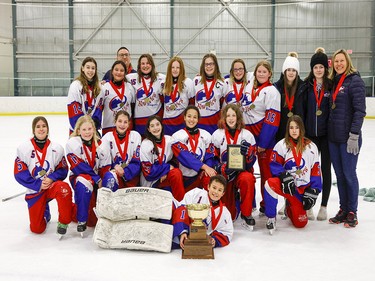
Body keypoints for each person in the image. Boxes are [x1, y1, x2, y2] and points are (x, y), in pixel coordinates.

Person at [14, 116, 73, 236]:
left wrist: (52, 178)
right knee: (37, 229)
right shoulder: (24, 148)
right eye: (38, 126)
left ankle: (65, 220)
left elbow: (63, 169)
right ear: (33, 130)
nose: (41, 129)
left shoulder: (56, 148)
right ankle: (45, 212)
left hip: (51, 187)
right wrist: (38, 184)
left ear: (48, 129)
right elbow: (19, 173)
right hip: (35, 190)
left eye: (44, 126)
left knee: (64, 188)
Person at [327, 49, 366, 228]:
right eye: (336, 62)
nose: (339, 64)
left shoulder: (355, 81)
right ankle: (343, 209)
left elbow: (360, 111)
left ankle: (352, 211)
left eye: (342, 61)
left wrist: (354, 135)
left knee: (349, 175)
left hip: (349, 138)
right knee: (340, 175)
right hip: (334, 138)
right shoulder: (333, 82)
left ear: (347, 62)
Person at [264, 115, 322, 234]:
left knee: (301, 223)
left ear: (301, 129)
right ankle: (271, 217)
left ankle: (289, 207)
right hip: (288, 187)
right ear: (287, 129)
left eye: (297, 127)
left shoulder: (311, 147)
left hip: (301, 191)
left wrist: (314, 190)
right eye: (291, 128)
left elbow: (316, 170)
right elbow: (274, 164)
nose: (294, 131)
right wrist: (283, 175)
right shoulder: (281, 145)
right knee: (269, 184)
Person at [242, 60, 281, 214]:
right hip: (248, 137)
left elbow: (272, 119)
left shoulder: (272, 91)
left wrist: (263, 142)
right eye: (259, 71)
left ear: (270, 74)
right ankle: (249, 204)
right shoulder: (250, 81)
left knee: (266, 174)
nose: (261, 74)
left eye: (265, 72)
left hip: (264, 139)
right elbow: (234, 74)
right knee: (247, 172)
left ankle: (267, 206)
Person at [212, 104, 257, 229]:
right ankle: (233, 200)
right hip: (225, 174)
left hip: (241, 174)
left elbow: (252, 163)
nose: (231, 118)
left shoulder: (247, 135)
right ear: (224, 118)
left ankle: (247, 213)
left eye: (233, 115)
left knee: (247, 178)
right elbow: (212, 158)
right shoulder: (217, 134)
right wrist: (221, 169)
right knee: (231, 215)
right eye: (228, 116)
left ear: (238, 117)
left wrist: (248, 154)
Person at [65, 115, 110, 235]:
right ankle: (81, 220)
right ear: (78, 130)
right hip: (79, 177)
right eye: (84, 129)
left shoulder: (101, 144)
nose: (87, 132)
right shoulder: (73, 143)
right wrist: (97, 178)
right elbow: (79, 167)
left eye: (89, 129)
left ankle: (74, 209)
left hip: (96, 180)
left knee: (93, 221)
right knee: (83, 181)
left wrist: (102, 182)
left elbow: (105, 166)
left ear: (94, 129)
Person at [302, 47, 333, 221]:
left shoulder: (331, 85)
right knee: (308, 171)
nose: (318, 70)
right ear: (312, 69)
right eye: (315, 67)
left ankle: (324, 206)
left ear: (325, 68)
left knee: (326, 171)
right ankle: (308, 205)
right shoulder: (307, 86)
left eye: (321, 67)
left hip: (326, 136)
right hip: (310, 137)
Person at [172, 175, 233, 249]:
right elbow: (181, 209)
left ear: (223, 193)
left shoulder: (225, 213)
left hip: (200, 240)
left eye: (220, 190)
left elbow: (227, 233)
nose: (216, 192)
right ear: (208, 187)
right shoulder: (196, 193)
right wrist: (182, 232)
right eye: (214, 188)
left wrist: (215, 240)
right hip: (180, 231)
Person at [140, 115, 185, 201]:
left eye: (157, 124)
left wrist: (166, 171)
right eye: (152, 126)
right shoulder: (146, 144)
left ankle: (181, 204)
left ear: (161, 125)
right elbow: (148, 173)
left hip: (165, 179)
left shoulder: (169, 140)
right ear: (148, 129)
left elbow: (175, 160)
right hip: (151, 183)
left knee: (176, 173)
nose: (155, 128)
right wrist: (166, 168)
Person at [172, 105, 217, 191]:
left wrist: (207, 168)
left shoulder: (206, 135)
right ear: (184, 117)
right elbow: (185, 157)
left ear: (198, 119)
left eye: (194, 117)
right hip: (182, 178)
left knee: (209, 177)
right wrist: (204, 167)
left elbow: (210, 156)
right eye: (189, 116)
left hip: (199, 176)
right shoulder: (177, 136)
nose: (191, 120)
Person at [101, 110, 142, 191]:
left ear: (129, 123)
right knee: (110, 179)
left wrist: (124, 171)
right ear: (115, 122)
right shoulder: (107, 137)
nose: (122, 125)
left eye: (125, 122)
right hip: (114, 174)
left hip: (131, 176)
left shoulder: (135, 136)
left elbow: (137, 162)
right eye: (120, 121)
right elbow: (104, 162)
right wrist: (115, 167)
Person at [127, 54, 165, 136]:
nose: (145, 66)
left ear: (152, 65)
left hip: (155, 121)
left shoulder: (160, 78)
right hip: (139, 121)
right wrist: (106, 81)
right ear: (139, 66)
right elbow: (118, 76)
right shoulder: (132, 78)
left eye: (148, 63)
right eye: (142, 63)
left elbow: (174, 77)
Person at [274, 52, 307, 142]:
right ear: (284, 71)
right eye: (288, 70)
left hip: (297, 131)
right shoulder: (277, 87)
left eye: (294, 70)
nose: (291, 73)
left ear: (297, 72)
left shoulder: (303, 88)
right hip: (281, 131)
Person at [67, 57, 103, 134]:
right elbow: (74, 109)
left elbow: (98, 108)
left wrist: (94, 126)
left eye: (93, 68)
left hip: (92, 131)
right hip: (77, 130)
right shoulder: (76, 85)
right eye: (88, 67)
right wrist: (82, 128)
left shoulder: (99, 87)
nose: (90, 70)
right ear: (82, 68)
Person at [193, 53, 227, 134]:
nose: (209, 66)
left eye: (211, 64)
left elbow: (223, 106)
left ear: (216, 65)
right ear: (203, 66)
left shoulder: (222, 83)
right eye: (206, 64)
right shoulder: (196, 81)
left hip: (214, 125)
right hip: (198, 124)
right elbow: (191, 103)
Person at [101, 60, 135, 135]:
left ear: (125, 73)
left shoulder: (130, 87)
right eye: (116, 70)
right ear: (112, 71)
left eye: (122, 70)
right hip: (109, 127)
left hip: (126, 127)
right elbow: (99, 108)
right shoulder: (104, 87)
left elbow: (133, 107)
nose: (119, 72)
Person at [163, 56, 195, 136]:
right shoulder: (164, 83)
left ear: (182, 69)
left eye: (178, 67)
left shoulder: (188, 82)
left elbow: (192, 104)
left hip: (182, 123)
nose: (175, 70)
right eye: (173, 67)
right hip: (167, 124)